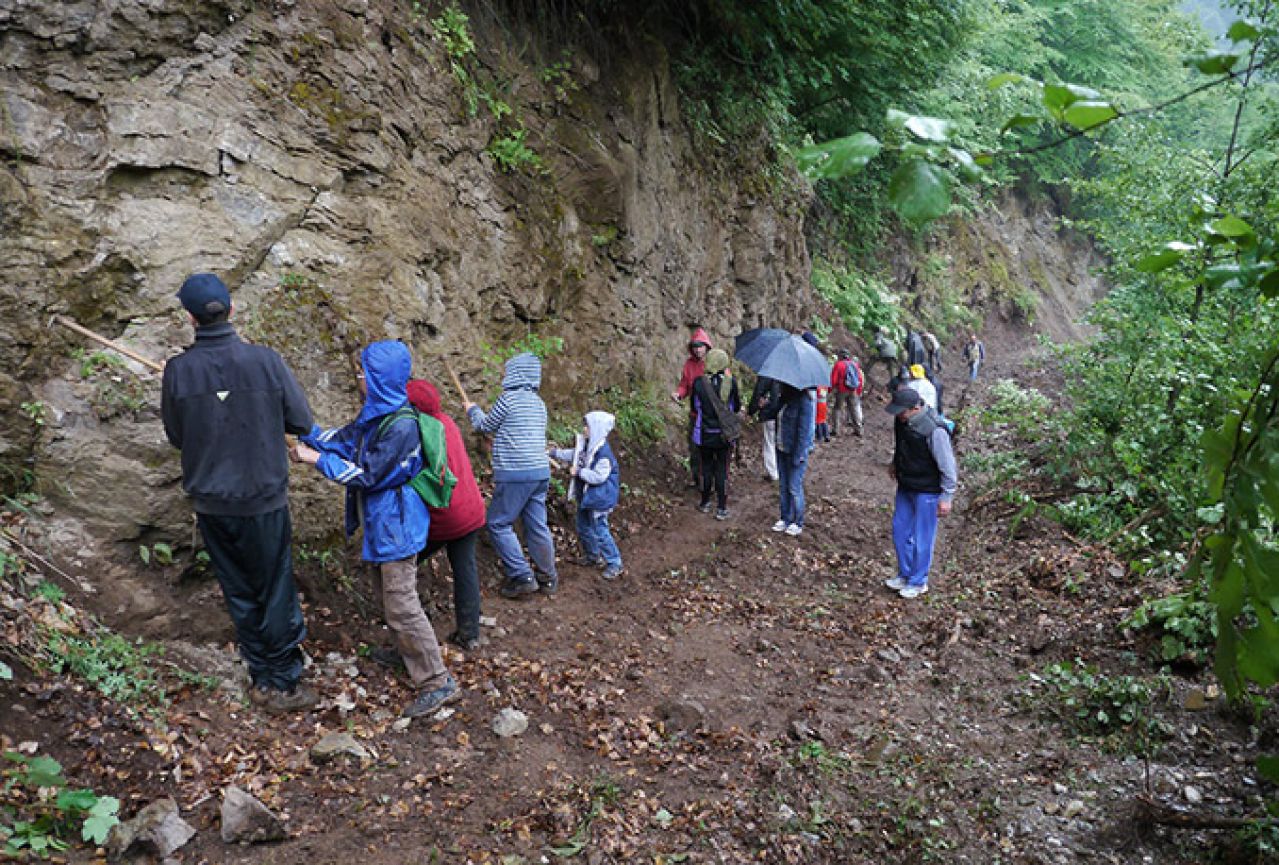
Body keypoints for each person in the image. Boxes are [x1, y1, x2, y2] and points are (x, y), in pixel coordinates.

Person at [161, 273, 317, 714]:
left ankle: (262, 672)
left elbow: (177, 436)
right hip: (263, 499)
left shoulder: (178, 370)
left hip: (213, 503)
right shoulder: (265, 362)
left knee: (240, 588)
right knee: (274, 586)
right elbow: (302, 421)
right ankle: (281, 681)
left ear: (190, 318)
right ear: (232, 311)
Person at [292, 340, 460, 718]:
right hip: (383, 524)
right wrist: (304, 430)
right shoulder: (377, 415)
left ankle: (437, 681)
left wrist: (316, 459)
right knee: (386, 596)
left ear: (381, 378)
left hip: (398, 527)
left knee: (401, 604)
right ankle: (408, 653)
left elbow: (368, 476)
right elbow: (346, 440)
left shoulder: (402, 428)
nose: (359, 378)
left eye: (364, 373)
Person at [465, 352, 558, 598]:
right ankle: (548, 577)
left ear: (516, 374)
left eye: (507, 371)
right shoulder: (538, 403)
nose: (503, 376)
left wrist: (472, 410)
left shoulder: (509, 399)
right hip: (540, 472)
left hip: (516, 473)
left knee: (498, 523)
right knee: (537, 525)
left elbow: (484, 426)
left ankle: (522, 576)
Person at [406, 380, 485, 652]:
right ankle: (470, 633)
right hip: (471, 509)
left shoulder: (420, 432)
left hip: (447, 516)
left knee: (403, 563)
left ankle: (413, 627)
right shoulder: (447, 422)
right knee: (465, 568)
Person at [884, 388, 957, 599]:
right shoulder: (902, 421)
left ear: (915, 408)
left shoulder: (934, 430)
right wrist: (895, 464)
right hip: (906, 484)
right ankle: (905, 574)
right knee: (900, 530)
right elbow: (901, 445)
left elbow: (948, 467)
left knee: (922, 537)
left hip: (928, 490)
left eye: (902, 412)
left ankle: (918, 581)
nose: (899, 415)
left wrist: (946, 497)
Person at [549, 411, 624, 580]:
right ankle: (593, 555)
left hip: (599, 498)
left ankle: (614, 562)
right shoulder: (586, 446)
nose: (584, 429)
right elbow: (573, 454)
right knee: (583, 526)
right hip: (587, 496)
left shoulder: (603, 454)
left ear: (596, 429)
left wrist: (579, 472)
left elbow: (599, 477)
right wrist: (555, 453)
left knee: (600, 531)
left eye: (587, 426)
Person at [691, 348, 741, 520]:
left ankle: (705, 502)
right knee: (722, 469)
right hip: (724, 436)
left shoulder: (699, 383)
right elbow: (736, 407)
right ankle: (721, 507)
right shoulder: (731, 382)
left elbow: (694, 408)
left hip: (704, 434)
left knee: (705, 468)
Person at [764, 384, 815, 537]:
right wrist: (765, 405)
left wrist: (799, 455)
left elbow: (804, 431)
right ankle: (785, 518)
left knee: (794, 487)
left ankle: (797, 522)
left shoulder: (804, 402)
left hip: (795, 452)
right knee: (783, 486)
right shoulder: (784, 399)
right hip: (781, 449)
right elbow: (773, 414)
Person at [671, 327, 713, 489]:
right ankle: (698, 480)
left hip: (711, 416)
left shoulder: (713, 362)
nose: (698, 350)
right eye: (695, 346)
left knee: (710, 449)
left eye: (700, 346)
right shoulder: (689, 365)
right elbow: (684, 385)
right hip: (695, 415)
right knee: (695, 448)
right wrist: (678, 394)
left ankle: (712, 481)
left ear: (707, 346)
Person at [747, 374, 781, 481]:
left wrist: (751, 410)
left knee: (769, 442)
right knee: (780, 442)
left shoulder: (767, 373)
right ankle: (781, 470)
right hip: (784, 413)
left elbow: (758, 392)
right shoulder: (787, 372)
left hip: (769, 412)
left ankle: (773, 472)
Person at [829, 349, 863, 437]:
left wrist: (830, 390)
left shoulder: (838, 365)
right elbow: (859, 378)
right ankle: (858, 429)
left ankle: (836, 429)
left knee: (837, 408)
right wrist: (858, 390)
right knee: (854, 409)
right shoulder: (854, 364)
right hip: (853, 390)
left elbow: (833, 380)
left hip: (842, 390)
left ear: (840, 356)